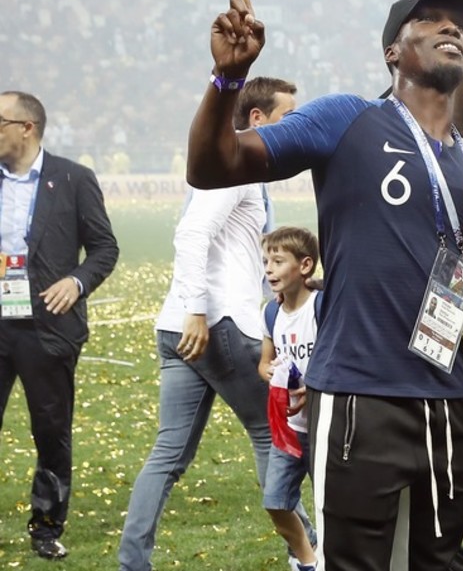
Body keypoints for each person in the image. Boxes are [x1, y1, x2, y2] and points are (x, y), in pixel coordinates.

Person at [184, 0, 463, 570]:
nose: (452, 27)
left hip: (447, 396)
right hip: (357, 394)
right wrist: (228, 79)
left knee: (437, 559)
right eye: (430, 18)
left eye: (462, 24)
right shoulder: (349, 118)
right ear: (393, 51)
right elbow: (215, 164)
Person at [117, 76, 301, 571]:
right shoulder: (235, 166)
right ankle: (308, 555)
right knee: (271, 434)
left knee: (168, 455)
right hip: (215, 323)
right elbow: (192, 232)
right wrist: (198, 308)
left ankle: (132, 563)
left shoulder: (239, 169)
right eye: (289, 116)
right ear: (258, 120)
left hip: (180, 324)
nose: (297, 126)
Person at [0, 90, 118, 561]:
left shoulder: (72, 178)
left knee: (51, 431)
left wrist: (77, 280)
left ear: (26, 127)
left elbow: (105, 249)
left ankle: (47, 526)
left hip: (46, 326)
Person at [258, 226, 322, 571]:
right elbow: (263, 363)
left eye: (278, 261)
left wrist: (312, 384)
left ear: (306, 266)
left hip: (326, 427)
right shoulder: (271, 313)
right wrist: (271, 373)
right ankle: (307, 559)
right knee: (275, 500)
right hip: (289, 430)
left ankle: (332, 557)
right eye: (266, 260)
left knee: (333, 505)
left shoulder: (320, 306)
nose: (268, 268)